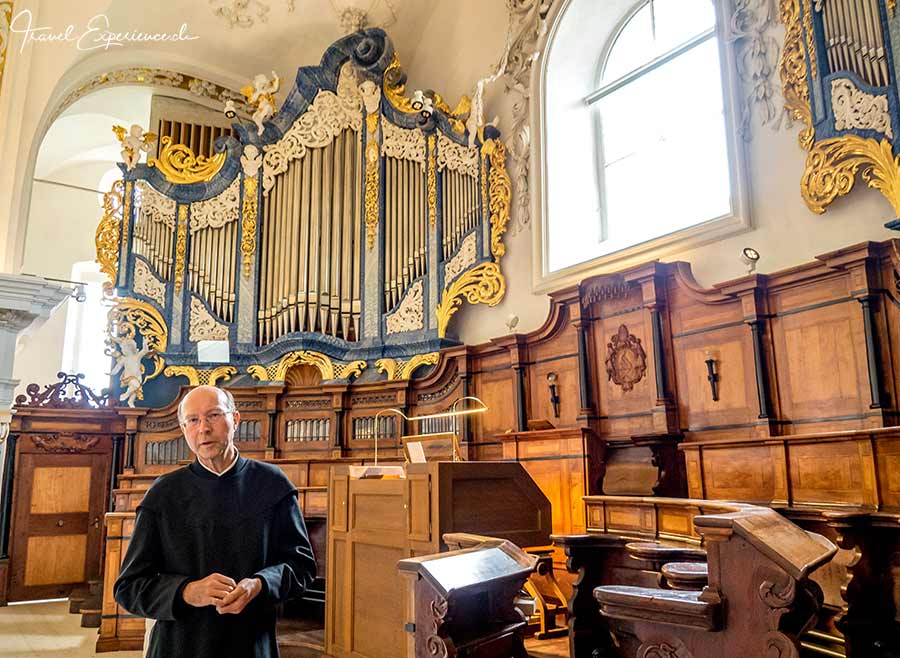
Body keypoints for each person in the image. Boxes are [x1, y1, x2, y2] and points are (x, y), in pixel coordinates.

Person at [114, 385, 316, 658]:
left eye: (214, 415)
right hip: (180, 646)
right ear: (184, 429)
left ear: (235, 419)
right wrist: (187, 591)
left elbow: (301, 568)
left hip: (250, 645)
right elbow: (129, 588)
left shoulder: (273, 484)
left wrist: (259, 584)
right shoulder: (163, 494)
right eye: (193, 420)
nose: (203, 428)